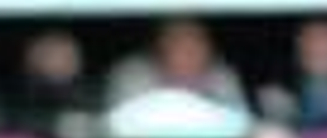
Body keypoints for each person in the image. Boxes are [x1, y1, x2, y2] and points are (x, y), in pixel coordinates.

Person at [105, 17, 247, 113]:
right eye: (178, 39)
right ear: (161, 45)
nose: (190, 50)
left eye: (197, 40)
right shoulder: (132, 75)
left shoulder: (221, 77)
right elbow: (121, 129)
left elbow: (239, 124)